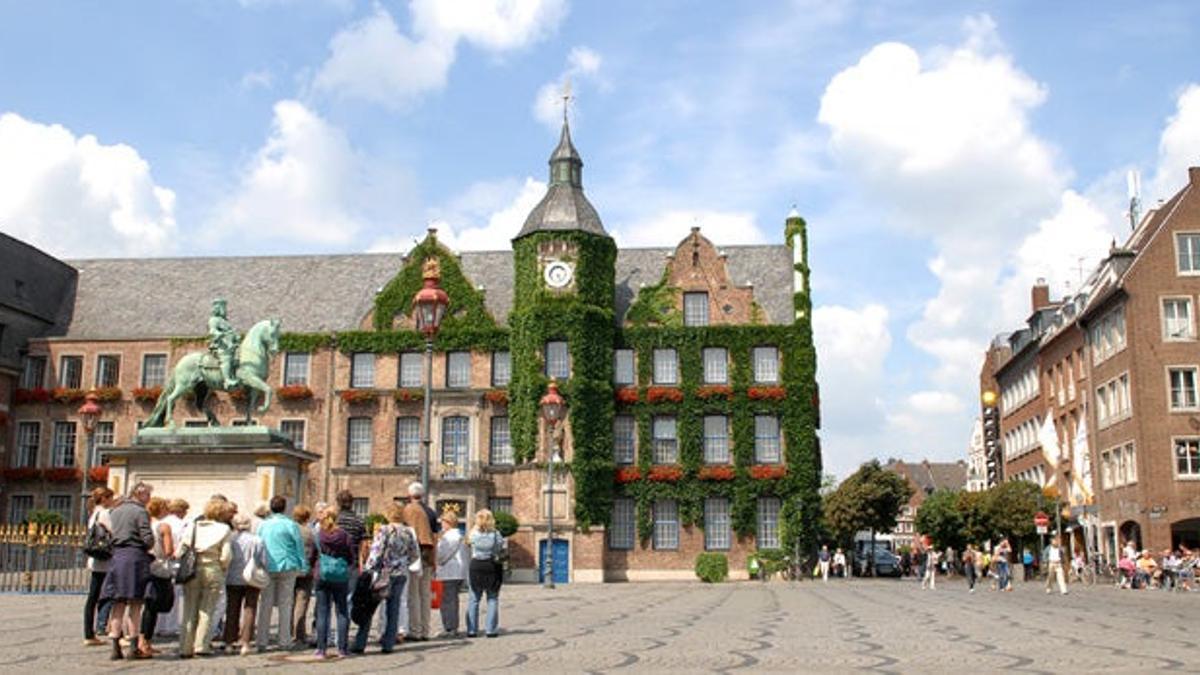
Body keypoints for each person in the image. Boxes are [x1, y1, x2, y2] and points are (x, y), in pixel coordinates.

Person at [353, 502, 420, 653]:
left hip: (384, 573)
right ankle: (389, 643)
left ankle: (360, 643)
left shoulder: (385, 530)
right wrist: (403, 563)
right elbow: (415, 554)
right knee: (394, 608)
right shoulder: (408, 532)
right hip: (400, 573)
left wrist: (368, 569)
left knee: (369, 607)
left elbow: (376, 552)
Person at [102, 481, 155, 660]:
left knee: (117, 604)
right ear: (140, 494)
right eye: (148, 495)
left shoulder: (115, 511)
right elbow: (147, 537)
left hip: (118, 557)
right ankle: (133, 647)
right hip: (135, 557)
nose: (149, 499)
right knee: (135, 605)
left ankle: (115, 647)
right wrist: (150, 544)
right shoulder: (140, 511)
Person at [178, 499, 234, 658]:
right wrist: (222, 567)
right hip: (212, 567)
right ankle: (201, 644)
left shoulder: (193, 526)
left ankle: (185, 646)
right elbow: (226, 555)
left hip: (193, 568)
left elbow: (180, 549)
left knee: (189, 608)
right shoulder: (224, 529)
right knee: (207, 608)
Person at [256, 495, 307, 652]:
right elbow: (299, 547)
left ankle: (262, 640)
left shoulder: (263, 525)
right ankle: (284, 640)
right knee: (285, 604)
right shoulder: (290, 525)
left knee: (265, 604)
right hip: (287, 565)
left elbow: (258, 544)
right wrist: (303, 566)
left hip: (267, 565)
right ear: (285, 508)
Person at [224, 513, 268, 655]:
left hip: (233, 577)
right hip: (251, 578)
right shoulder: (257, 540)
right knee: (250, 609)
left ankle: (229, 642)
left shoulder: (230, 539)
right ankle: (245, 642)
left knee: (232, 609)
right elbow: (263, 561)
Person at [314, 507, 354, 659]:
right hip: (340, 576)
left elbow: (312, 555)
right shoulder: (344, 536)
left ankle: (321, 649)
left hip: (322, 575)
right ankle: (342, 649)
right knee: (342, 611)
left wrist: (314, 567)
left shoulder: (319, 535)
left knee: (323, 612)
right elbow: (351, 556)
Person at [139, 496, 176, 654]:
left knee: (145, 605)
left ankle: (141, 638)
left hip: (145, 565)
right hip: (160, 567)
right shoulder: (164, 526)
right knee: (153, 607)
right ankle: (145, 640)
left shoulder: (145, 525)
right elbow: (168, 550)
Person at [402, 482, 437, 641]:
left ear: (410, 495)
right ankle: (425, 630)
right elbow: (435, 537)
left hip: (415, 553)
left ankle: (415, 630)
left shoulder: (408, 510)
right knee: (425, 594)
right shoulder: (430, 512)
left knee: (413, 593)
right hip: (428, 553)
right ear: (422, 495)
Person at [466, 509, 505, 638]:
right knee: (492, 598)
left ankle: (472, 630)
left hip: (476, 564)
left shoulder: (473, 532)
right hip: (491, 565)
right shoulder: (495, 534)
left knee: (474, 599)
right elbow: (499, 548)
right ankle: (491, 630)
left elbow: (468, 542)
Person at [84, 487, 115, 647]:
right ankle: (108, 628)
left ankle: (89, 633)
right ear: (104, 499)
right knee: (108, 596)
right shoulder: (104, 513)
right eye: (110, 498)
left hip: (95, 560)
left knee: (93, 597)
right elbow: (113, 533)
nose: (112, 501)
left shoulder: (93, 513)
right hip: (105, 561)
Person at [157, 499, 189, 638]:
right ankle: (170, 625)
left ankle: (158, 624)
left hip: (159, 561)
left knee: (159, 593)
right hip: (174, 560)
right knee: (174, 595)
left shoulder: (161, 522)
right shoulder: (181, 524)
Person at [436, 510, 467, 636]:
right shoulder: (461, 535)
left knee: (446, 601)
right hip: (458, 572)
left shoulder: (448, 537)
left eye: (442, 522)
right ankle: (453, 626)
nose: (441, 524)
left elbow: (441, 555)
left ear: (448, 522)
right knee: (453, 600)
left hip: (448, 572)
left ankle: (449, 628)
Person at [291, 505, 317, 646]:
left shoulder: (290, 530)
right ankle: (299, 634)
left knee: (290, 601)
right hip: (306, 569)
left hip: (290, 568)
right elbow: (316, 551)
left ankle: (288, 631)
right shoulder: (310, 532)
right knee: (302, 601)